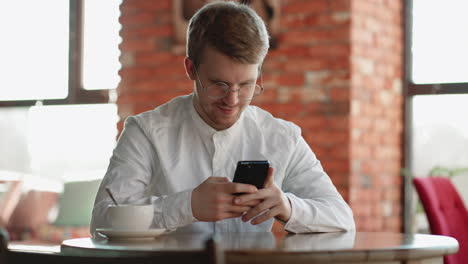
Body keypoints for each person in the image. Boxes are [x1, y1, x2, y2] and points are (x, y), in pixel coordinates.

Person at [90, 1, 354, 235]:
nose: (233, 100)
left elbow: (342, 219)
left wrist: (287, 206)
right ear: (191, 69)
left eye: (247, 85)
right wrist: (188, 206)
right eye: (219, 84)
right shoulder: (145, 132)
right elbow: (102, 219)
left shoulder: (282, 137)